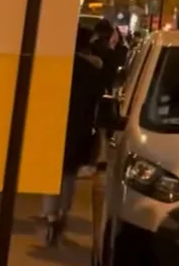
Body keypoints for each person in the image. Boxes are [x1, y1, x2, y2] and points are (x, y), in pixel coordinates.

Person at [44, 26, 105, 244]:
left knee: (53, 171)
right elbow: (98, 103)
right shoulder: (92, 71)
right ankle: (62, 212)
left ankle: (50, 214)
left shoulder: (60, 68)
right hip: (79, 126)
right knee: (69, 173)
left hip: (55, 123)